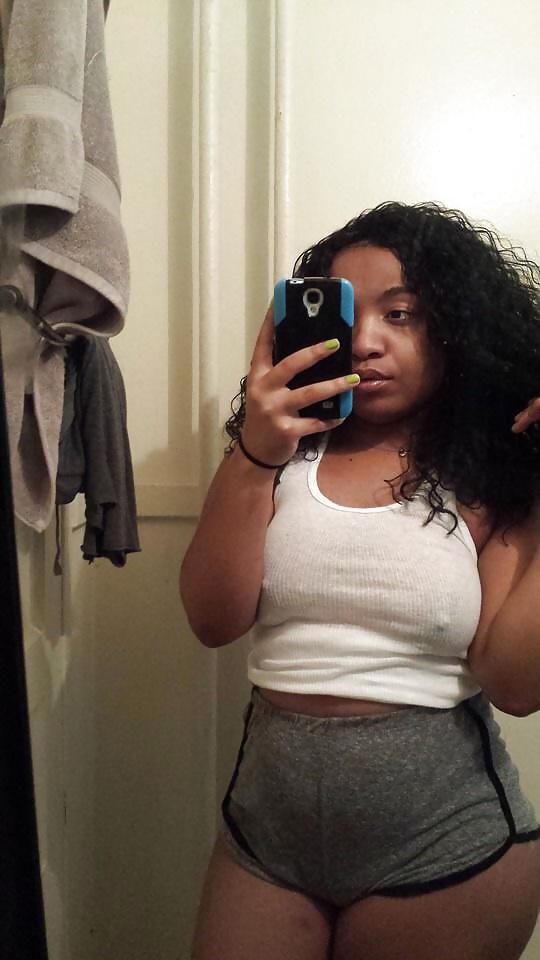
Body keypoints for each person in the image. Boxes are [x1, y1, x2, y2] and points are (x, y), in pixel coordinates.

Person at [180, 201, 540, 960]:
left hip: (445, 846)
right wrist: (256, 451)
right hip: (267, 838)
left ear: (454, 329)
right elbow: (212, 619)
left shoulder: (487, 482)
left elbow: (515, 684)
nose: (367, 341)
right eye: (348, 314)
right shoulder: (278, 455)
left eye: (400, 314)